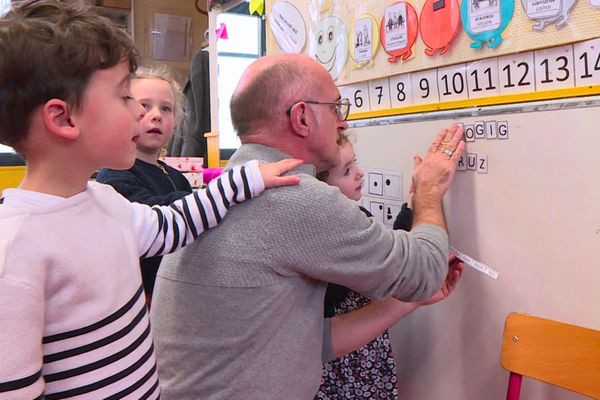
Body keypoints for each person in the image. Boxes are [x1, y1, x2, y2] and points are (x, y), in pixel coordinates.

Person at [0, 2, 300, 399]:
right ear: (63, 119)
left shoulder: (106, 202)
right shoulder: (15, 249)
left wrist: (245, 179)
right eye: (126, 96)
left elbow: (174, 223)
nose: (141, 112)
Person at [151, 53, 465, 399]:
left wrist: (402, 303)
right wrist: (428, 191)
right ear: (302, 117)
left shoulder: (226, 189)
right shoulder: (295, 196)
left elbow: (301, 341)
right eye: (336, 108)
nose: (343, 123)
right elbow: (423, 272)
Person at [316, 134, 464, 399]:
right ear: (322, 191)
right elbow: (387, 269)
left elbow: (388, 256)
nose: (360, 173)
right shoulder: (335, 233)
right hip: (345, 363)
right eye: (347, 171)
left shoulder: (355, 221)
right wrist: (426, 196)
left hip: (364, 352)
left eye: (356, 163)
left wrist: (412, 205)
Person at [96, 65, 192, 306]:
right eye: (145, 106)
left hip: (178, 291)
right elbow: (152, 215)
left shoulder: (175, 176)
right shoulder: (114, 175)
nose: (156, 115)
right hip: (143, 301)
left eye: (166, 108)